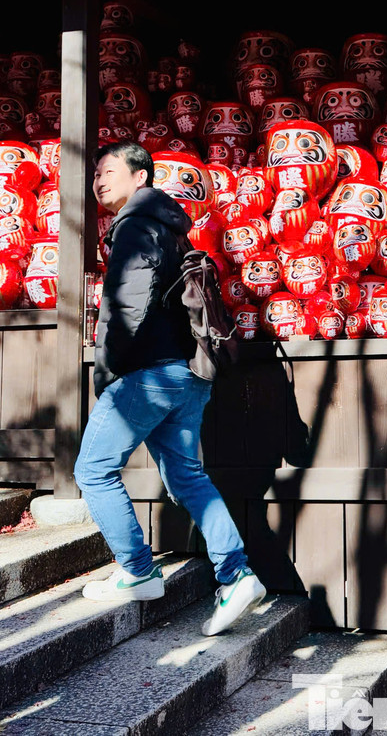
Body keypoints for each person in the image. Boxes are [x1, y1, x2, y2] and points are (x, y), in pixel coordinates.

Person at [76, 140, 266, 636]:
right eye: (96, 173)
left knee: (93, 470)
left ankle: (138, 572)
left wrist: (109, 370)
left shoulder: (136, 226)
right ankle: (236, 574)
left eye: (109, 170)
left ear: (140, 177)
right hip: (187, 373)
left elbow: (127, 307)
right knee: (186, 476)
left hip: (149, 374)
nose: (99, 179)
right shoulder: (169, 225)